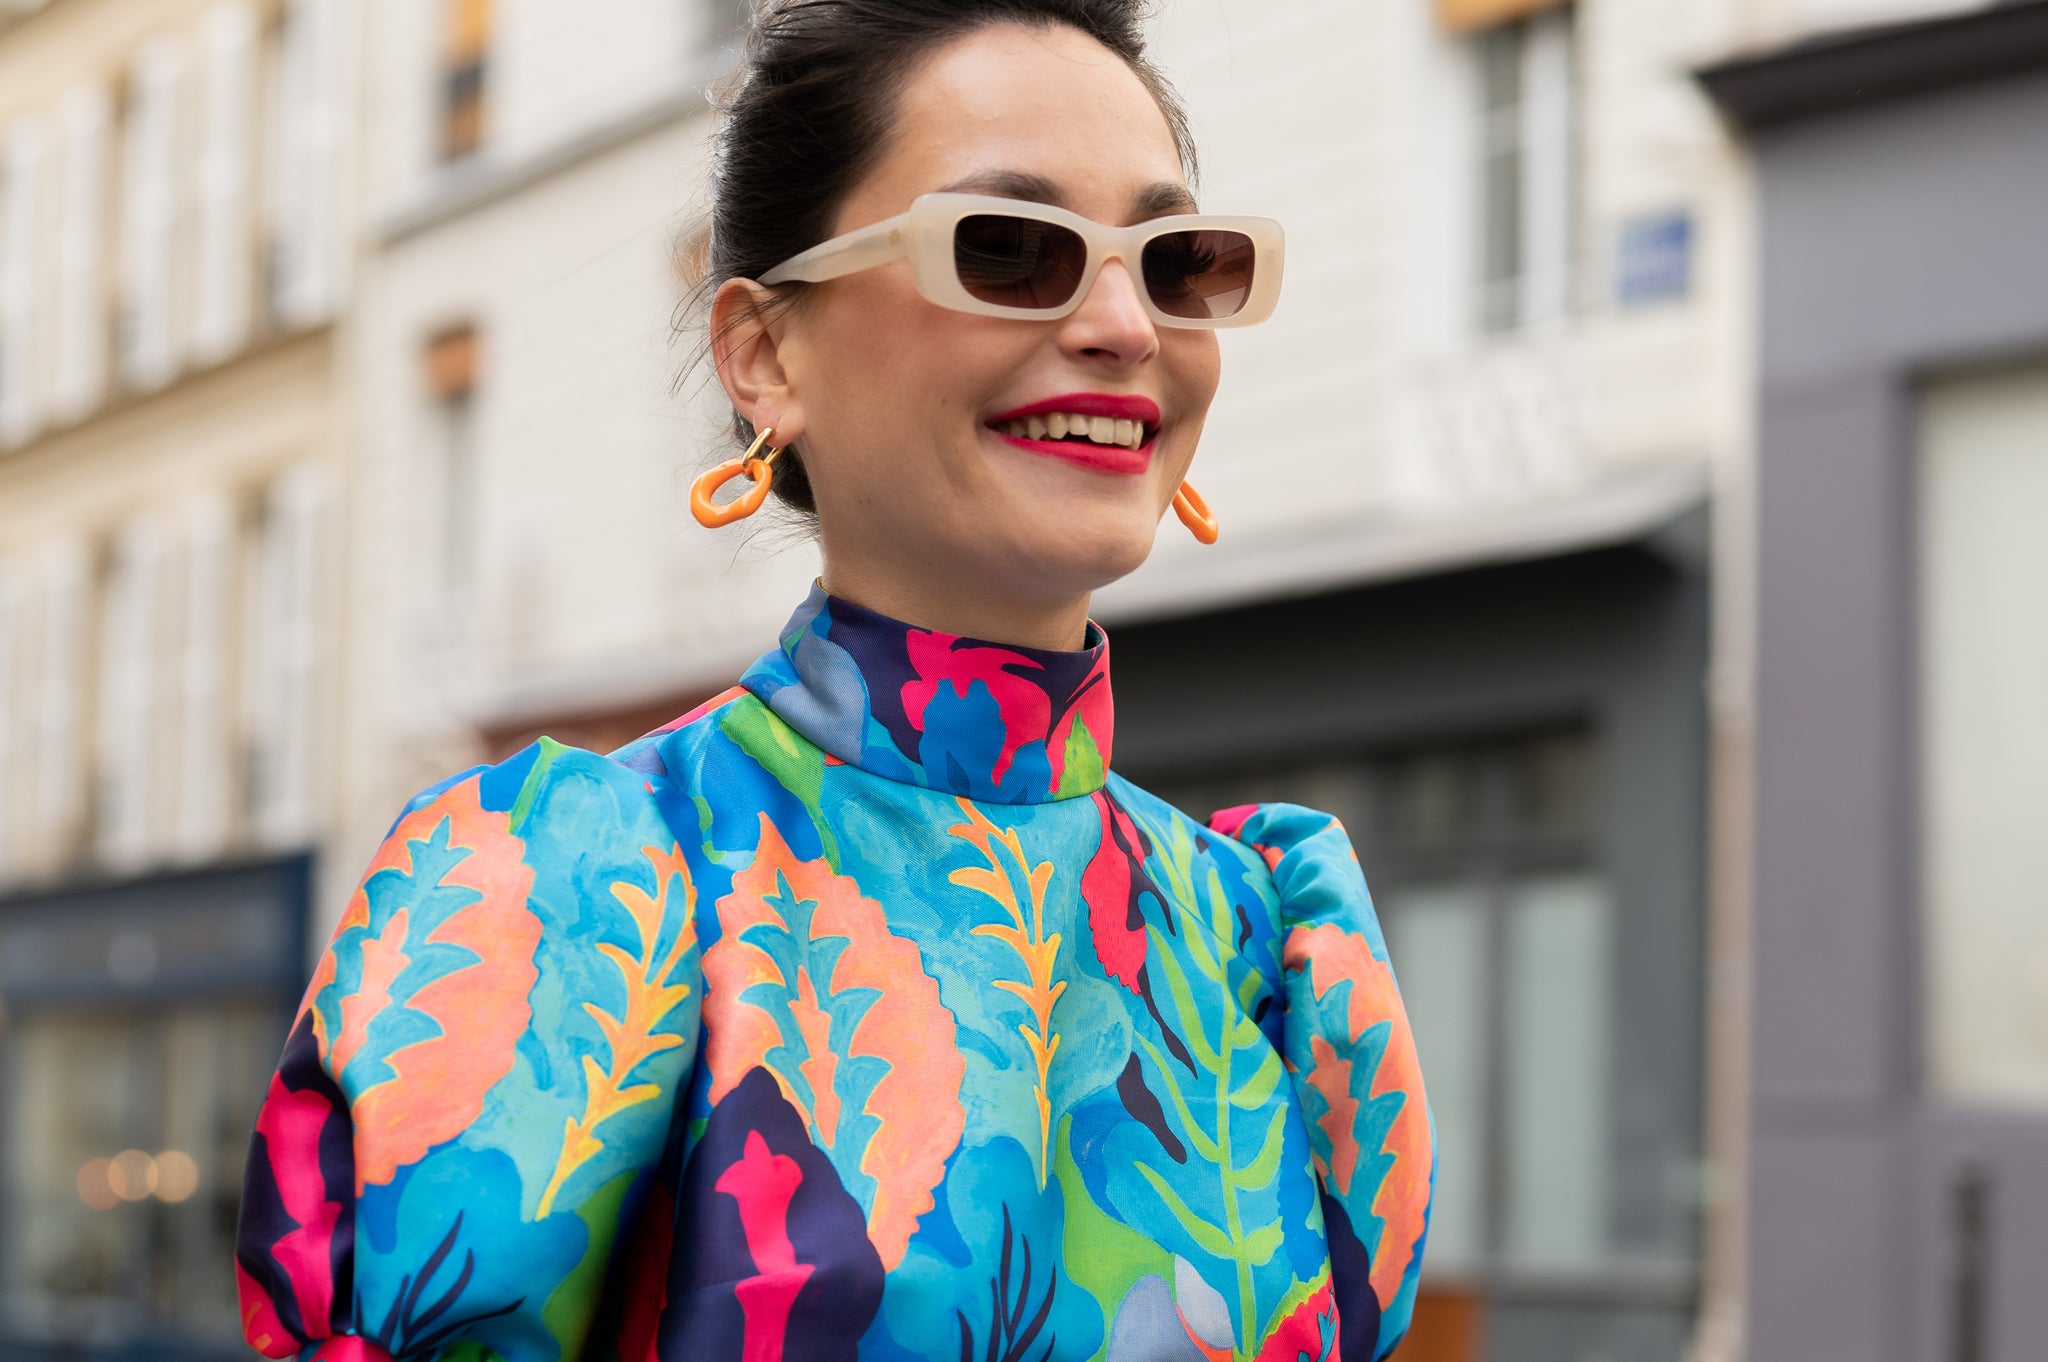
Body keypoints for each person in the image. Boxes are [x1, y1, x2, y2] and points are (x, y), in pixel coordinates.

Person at [234, 2, 1433, 1358]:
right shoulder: (585, 891)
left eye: (1174, 262)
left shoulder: (1264, 945)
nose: (1123, 322)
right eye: (1011, 249)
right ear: (764, 355)